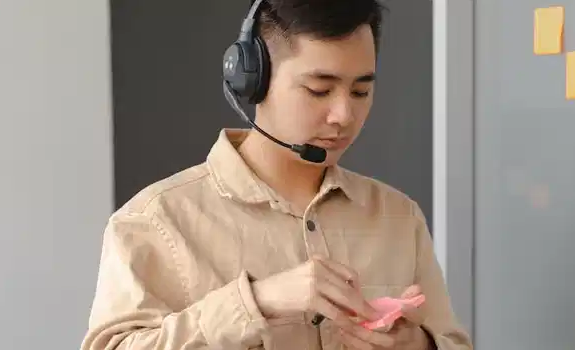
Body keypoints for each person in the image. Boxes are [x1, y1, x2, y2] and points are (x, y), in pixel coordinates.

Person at [80, 0, 473, 349]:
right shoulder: (155, 220)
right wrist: (257, 302)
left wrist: (419, 346)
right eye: (319, 90)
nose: (344, 115)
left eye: (360, 92)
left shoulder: (399, 218)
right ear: (254, 80)